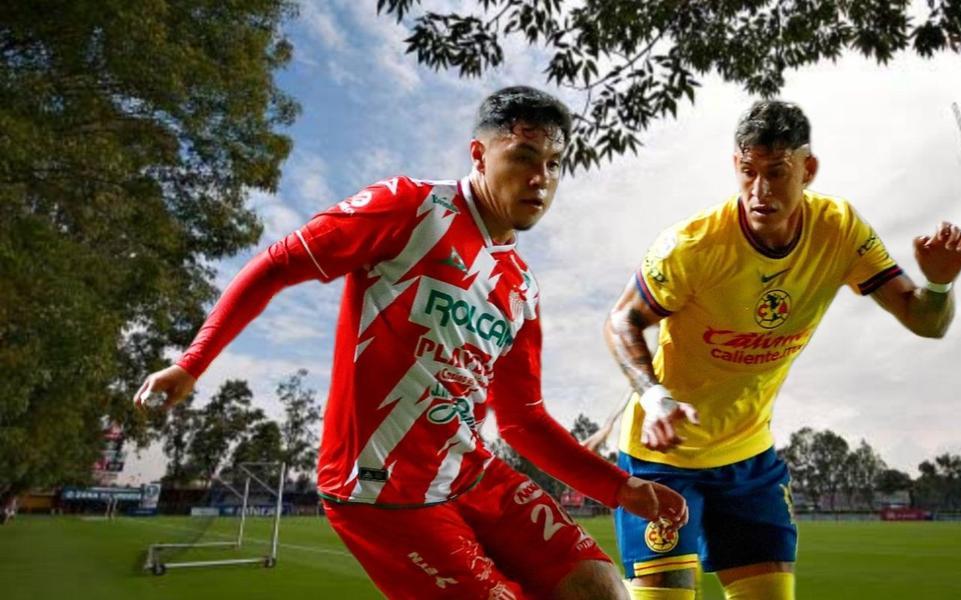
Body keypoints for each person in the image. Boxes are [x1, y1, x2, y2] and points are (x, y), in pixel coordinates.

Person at [135, 86, 687, 600]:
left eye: (553, 166)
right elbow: (278, 265)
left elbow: (522, 421)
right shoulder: (411, 207)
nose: (540, 178)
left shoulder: (522, 288)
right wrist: (192, 363)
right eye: (522, 156)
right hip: (379, 491)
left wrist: (622, 490)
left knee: (599, 585)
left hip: (470, 472)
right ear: (479, 154)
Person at [591, 100, 961, 600]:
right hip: (663, 456)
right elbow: (622, 321)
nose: (760, 190)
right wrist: (654, 397)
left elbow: (925, 322)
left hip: (750, 461)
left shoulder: (839, 230)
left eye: (777, 172)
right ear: (736, 166)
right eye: (748, 172)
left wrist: (940, 285)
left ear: (807, 169)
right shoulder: (692, 246)